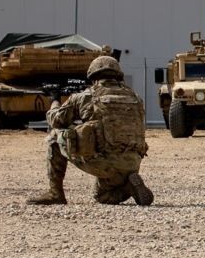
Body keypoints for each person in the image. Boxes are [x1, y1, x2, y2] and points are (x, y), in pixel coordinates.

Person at [26, 56, 153, 206]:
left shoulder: (85, 96)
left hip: (105, 164)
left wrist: (55, 100)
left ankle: (55, 193)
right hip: (132, 163)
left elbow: (56, 120)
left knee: (55, 137)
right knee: (102, 196)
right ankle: (128, 187)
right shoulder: (135, 98)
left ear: (93, 76)